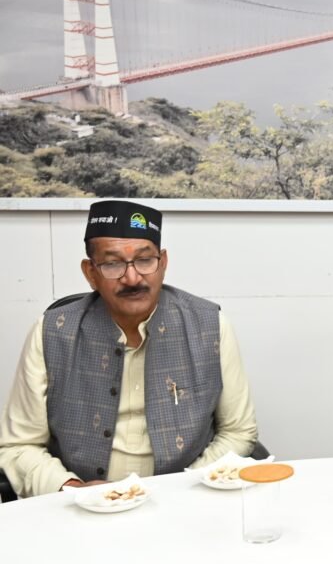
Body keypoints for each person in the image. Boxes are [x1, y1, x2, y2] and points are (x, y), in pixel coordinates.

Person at [0, 200, 258, 498]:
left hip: (185, 499)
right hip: (83, 504)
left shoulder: (209, 326)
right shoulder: (52, 332)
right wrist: (72, 489)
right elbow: (20, 444)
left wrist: (184, 489)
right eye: (112, 264)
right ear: (90, 273)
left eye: (145, 260)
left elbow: (239, 431)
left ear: (163, 263)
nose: (132, 278)